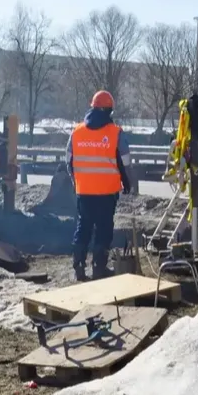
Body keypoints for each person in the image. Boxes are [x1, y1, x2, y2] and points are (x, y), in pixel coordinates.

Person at [65, 89, 132, 281]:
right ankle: (99, 268)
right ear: (110, 111)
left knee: (83, 226)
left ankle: (78, 268)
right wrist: (127, 184)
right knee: (104, 229)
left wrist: (76, 181)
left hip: (84, 192)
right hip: (107, 192)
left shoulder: (76, 132)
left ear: (92, 107)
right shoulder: (115, 133)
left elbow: (68, 161)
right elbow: (125, 163)